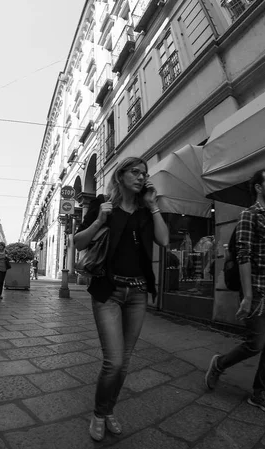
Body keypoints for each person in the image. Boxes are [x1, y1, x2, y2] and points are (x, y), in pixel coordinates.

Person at [74, 157, 169, 441]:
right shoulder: (104, 205)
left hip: (138, 294)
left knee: (125, 363)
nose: (141, 177)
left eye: (144, 174)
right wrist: (100, 220)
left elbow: (164, 241)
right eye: (135, 172)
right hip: (109, 293)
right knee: (113, 362)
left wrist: (154, 206)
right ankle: (98, 413)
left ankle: (107, 410)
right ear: (121, 175)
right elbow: (78, 242)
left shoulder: (144, 211)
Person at [205, 169, 265, 414]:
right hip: (259, 293)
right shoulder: (249, 216)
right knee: (256, 344)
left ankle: (259, 394)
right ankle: (219, 364)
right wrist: (248, 296)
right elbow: (243, 257)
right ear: (259, 188)